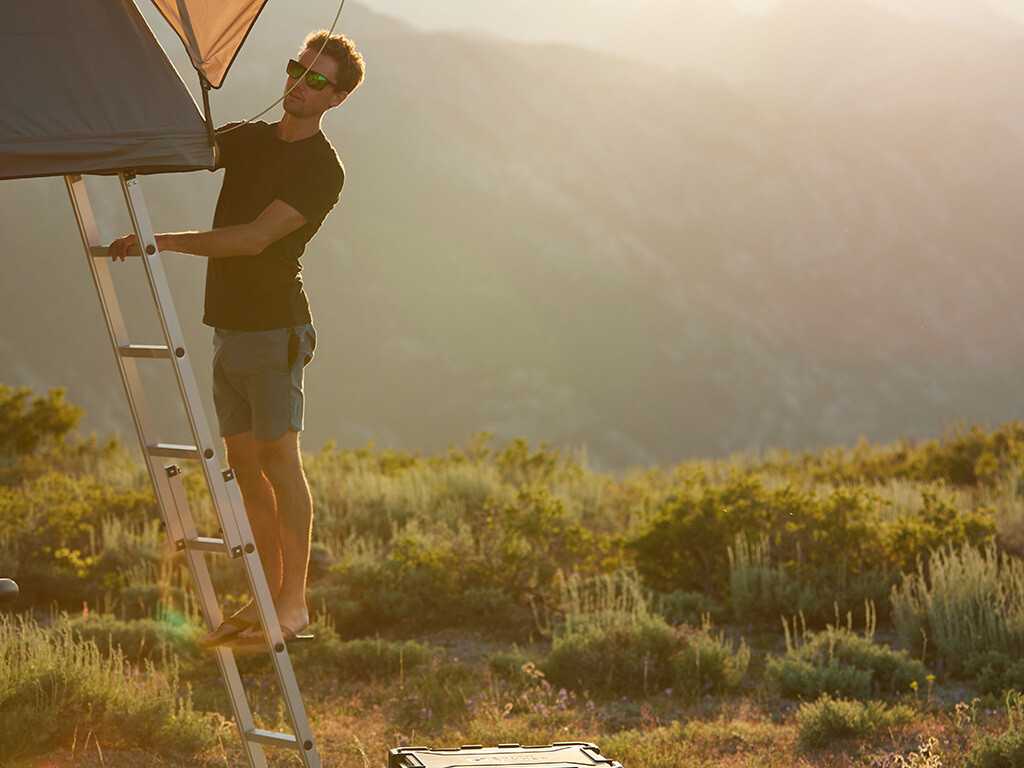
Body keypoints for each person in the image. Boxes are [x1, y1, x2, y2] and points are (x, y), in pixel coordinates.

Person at [109, 31, 365, 649]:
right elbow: (184, 147)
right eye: (296, 69)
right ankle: (266, 596)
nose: (300, 84)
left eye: (317, 80)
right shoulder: (250, 139)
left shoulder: (322, 168)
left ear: (337, 98)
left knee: (280, 464)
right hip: (228, 326)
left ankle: (295, 603)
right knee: (244, 466)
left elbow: (255, 238)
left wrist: (163, 241)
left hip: (275, 328)